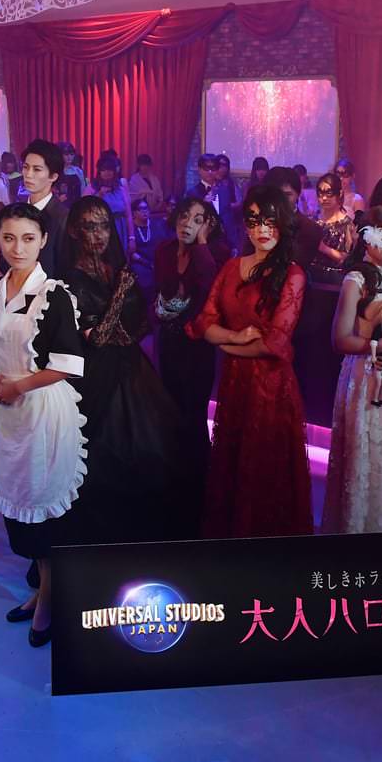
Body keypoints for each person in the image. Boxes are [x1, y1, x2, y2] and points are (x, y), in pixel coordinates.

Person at [0, 202, 88, 647]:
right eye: (8, 238)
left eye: (27, 239)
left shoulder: (54, 295)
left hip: (42, 410)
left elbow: (68, 364)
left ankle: (50, 598)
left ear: (43, 241)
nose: (17, 248)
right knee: (19, 503)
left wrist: (18, 386)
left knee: (44, 508)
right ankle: (41, 589)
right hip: (8, 414)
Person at [189, 185, 311, 537]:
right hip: (233, 385)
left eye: (270, 221)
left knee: (265, 474)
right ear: (245, 226)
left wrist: (225, 345)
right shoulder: (231, 267)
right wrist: (236, 338)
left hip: (271, 389)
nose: (262, 229)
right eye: (254, 221)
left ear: (282, 223)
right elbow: (204, 322)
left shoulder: (293, 274)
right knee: (231, 466)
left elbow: (274, 343)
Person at [61, 196, 185, 541]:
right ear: (74, 231)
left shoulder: (116, 269)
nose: (99, 234)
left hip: (133, 369)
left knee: (153, 453)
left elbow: (140, 326)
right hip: (96, 376)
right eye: (90, 226)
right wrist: (120, 293)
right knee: (103, 459)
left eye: (104, 225)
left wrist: (155, 310)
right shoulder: (72, 280)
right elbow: (99, 337)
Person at [322, 207, 382, 534]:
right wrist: (381, 345)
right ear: (367, 239)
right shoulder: (356, 281)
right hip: (365, 377)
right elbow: (340, 339)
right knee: (366, 457)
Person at [154, 197, 229, 533]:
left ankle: (198, 491)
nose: (188, 224)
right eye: (184, 216)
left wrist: (200, 245)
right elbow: (164, 292)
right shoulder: (164, 250)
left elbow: (210, 292)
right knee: (169, 411)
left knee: (193, 414)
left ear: (208, 226)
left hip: (197, 346)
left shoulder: (215, 254)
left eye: (198, 219)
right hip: (168, 341)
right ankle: (172, 485)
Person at [0, 139, 69, 278]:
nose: (28, 174)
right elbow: (2, 260)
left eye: (37, 169)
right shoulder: (14, 212)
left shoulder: (63, 217)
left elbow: (63, 268)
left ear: (53, 176)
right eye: (26, 167)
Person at [271, 166, 323, 270]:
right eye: (278, 194)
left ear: (298, 194)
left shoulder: (311, 229)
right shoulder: (259, 224)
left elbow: (298, 265)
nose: (282, 200)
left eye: (288, 194)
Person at [311, 173, 356, 286]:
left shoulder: (346, 224)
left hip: (333, 279)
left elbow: (345, 258)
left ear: (339, 194)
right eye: (320, 194)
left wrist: (323, 248)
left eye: (329, 193)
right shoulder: (314, 220)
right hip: (311, 275)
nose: (324, 198)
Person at [127, 196, 169, 303]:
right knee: (143, 276)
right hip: (141, 263)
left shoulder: (158, 224)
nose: (144, 211)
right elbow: (132, 254)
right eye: (141, 209)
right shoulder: (131, 229)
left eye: (146, 208)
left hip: (158, 260)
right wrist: (148, 264)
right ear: (134, 213)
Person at [89, 156, 133, 251]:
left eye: (109, 170)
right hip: (100, 228)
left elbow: (128, 215)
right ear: (99, 171)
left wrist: (131, 237)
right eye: (104, 170)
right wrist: (99, 194)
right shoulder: (92, 188)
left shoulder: (121, 189)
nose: (107, 173)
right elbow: (85, 209)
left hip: (120, 227)